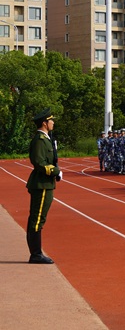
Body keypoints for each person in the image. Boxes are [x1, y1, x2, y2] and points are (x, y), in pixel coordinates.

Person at [26, 108, 60, 264]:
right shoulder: (40, 140)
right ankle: (36, 254)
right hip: (42, 184)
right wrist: (56, 172)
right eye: (51, 120)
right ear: (44, 123)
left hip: (45, 183)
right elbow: (39, 162)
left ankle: (36, 253)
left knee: (38, 218)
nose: (53, 122)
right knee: (37, 219)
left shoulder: (46, 139)